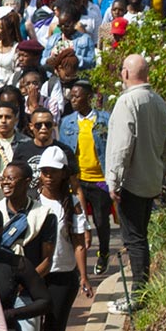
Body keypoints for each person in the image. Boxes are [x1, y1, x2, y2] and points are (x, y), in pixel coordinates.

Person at [105, 54, 166, 314]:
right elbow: (165, 146)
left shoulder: (127, 102)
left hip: (131, 182)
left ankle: (138, 296)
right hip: (150, 179)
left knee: (135, 240)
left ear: (126, 74)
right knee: (139, 238)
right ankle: (141, 292)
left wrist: (115, 181)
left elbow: (122, 147)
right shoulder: (158, 101)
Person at [36, 146, 94, 331]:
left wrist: (83, 276)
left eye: (53, 172)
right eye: (44, 171)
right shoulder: (32, 202)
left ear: (62, 174)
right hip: (36, 276)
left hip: (62, 276)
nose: (48, 176)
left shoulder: (71, 204)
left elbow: (79, 243)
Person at [58, 80, 113, 275]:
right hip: (77, 180)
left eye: (77, 96)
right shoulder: (67, 122)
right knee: (74, 220)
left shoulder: (105, 120)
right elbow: (64, 151)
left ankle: (104, 252)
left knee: (101, 220)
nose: (72, 99)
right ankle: (75, 260)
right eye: (70, 96)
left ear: (88, 97)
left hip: (99, 180)